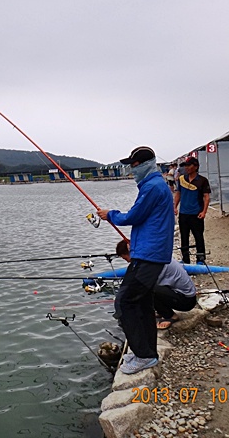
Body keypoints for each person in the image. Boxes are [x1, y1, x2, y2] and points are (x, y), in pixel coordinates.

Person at [97, 146, 175, 374]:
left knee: (125, 302)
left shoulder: (152, 187)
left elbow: (134, 216)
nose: (132, 170)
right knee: (142, 303)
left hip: (150, 255)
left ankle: (144, 355)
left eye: (134, 165)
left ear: (146, 164)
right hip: (149, 252)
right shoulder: (155, 185)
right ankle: (146, 352)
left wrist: (110, 214)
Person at [116, 240, 197, 330]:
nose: (128, 261)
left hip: (186, 300)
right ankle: (161, 310)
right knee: (146, 289)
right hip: (178, 294)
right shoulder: (152, 256)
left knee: (148, 289)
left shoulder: (153, 263)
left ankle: (170, 316)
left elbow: (145, 285)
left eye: (125, 258)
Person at [174, 157, 211, 264]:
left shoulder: (202, 180)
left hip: (196, 214)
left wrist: (204, 212)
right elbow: (178, 193)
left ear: (196, 166)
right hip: (183, 213)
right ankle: (185, 259)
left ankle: (201, 259)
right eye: (185, 165)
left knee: (198, 237)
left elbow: (206, 197)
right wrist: (175, 207)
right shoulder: (181, 179)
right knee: (184, 237)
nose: (186, 168)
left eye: (189, 165)